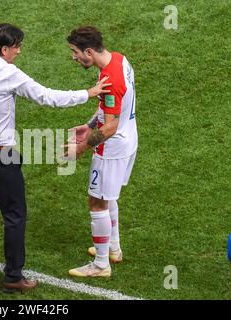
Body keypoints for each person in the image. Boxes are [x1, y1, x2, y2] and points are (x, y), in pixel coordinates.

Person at [0, 23, 111, 292]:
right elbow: (47, 97)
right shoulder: (8, 74)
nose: (19, 51)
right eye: (16, 46)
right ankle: (13, 277)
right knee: (15, 215)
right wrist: (87, 94)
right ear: (4, 48)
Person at [64, 26, 138, 277]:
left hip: (112, 147)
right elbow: (109, 110)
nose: (73, 58)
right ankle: (113, 249)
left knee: (97, 201)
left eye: (75, 53)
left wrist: (82, 147)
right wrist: (88, 125)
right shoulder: (118, 60)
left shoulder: (112, 78)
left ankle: (101, 265)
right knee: (109, 196)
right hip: (129, 139)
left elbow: (110, 126)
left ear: (88, 51)